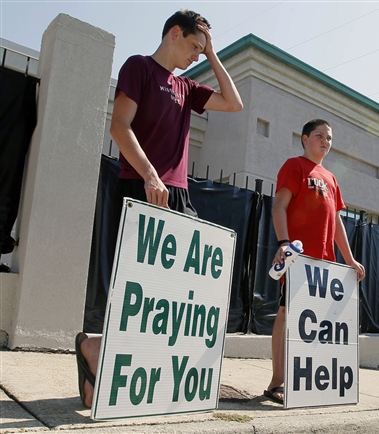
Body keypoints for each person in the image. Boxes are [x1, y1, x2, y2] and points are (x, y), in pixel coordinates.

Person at [75, 9, 243, 408]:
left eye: (202, 51)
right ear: (173, 34)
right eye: (193, 46)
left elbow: (233, 103)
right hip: (142, 185)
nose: (196, 56)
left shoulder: (187, 87)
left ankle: (100, 352)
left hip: (178, 193)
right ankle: (98, 353)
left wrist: (214, 54)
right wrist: (150, 174)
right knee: (137, 285)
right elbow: (120, 125)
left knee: (180, 290)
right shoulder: (140, 68)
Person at [263, 119, 366, 405]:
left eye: (329, 138)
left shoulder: (332, 179)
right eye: (319, 135)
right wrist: (284, 243)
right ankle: (277, 383)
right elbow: (279, 207)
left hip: (326, 266)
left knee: (318, 323)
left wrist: (350, 260)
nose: (325, 141)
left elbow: (336, 224)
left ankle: (308, 382)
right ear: (305, 138)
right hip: (299, 261)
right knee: (286, 313)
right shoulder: (294, 165)